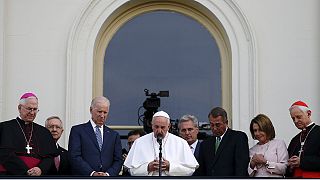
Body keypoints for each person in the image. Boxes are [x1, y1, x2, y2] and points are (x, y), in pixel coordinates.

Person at [124, 111, 199, 176]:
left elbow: (190, 170)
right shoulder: (139, 142)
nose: (159, 130)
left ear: (168, 126)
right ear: (152, 125)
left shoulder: (180, 143)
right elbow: (131, 170)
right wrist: (147, 168)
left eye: (162, 127)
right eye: (156, 127)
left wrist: (170, 167)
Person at [0, 92, 58, 176]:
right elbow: (4, 154)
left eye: (35, 109)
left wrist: (40, 169)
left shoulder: (44, 132)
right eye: (29, 108)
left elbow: (49, 157)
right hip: (11, 175)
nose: (32, 112)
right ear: (19, 108)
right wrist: (25, 171)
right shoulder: (4, 128)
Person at [68, 96, 123, 176]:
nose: (102, 115)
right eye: (99, 112)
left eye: (105, 112)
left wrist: (108, 174)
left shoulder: (114, 135)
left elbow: (118, 160)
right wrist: (92, 173)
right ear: (91, 110)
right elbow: (74, 156)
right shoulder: (78, 130)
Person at [195, 107, 249, 177]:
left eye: (218, 125)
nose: (214, 128)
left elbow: (241, 168)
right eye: (211, 125)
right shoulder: (205, 144)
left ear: (226, 123)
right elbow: (201, 171)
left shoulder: (238, 138)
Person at [286, 101, 320, 178]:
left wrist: (302, 162)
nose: (296, 121)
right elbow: (287, 166)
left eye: (298, 117)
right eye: (293, 118)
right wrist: (290, 166)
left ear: (308, 114)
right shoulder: (295, 140)